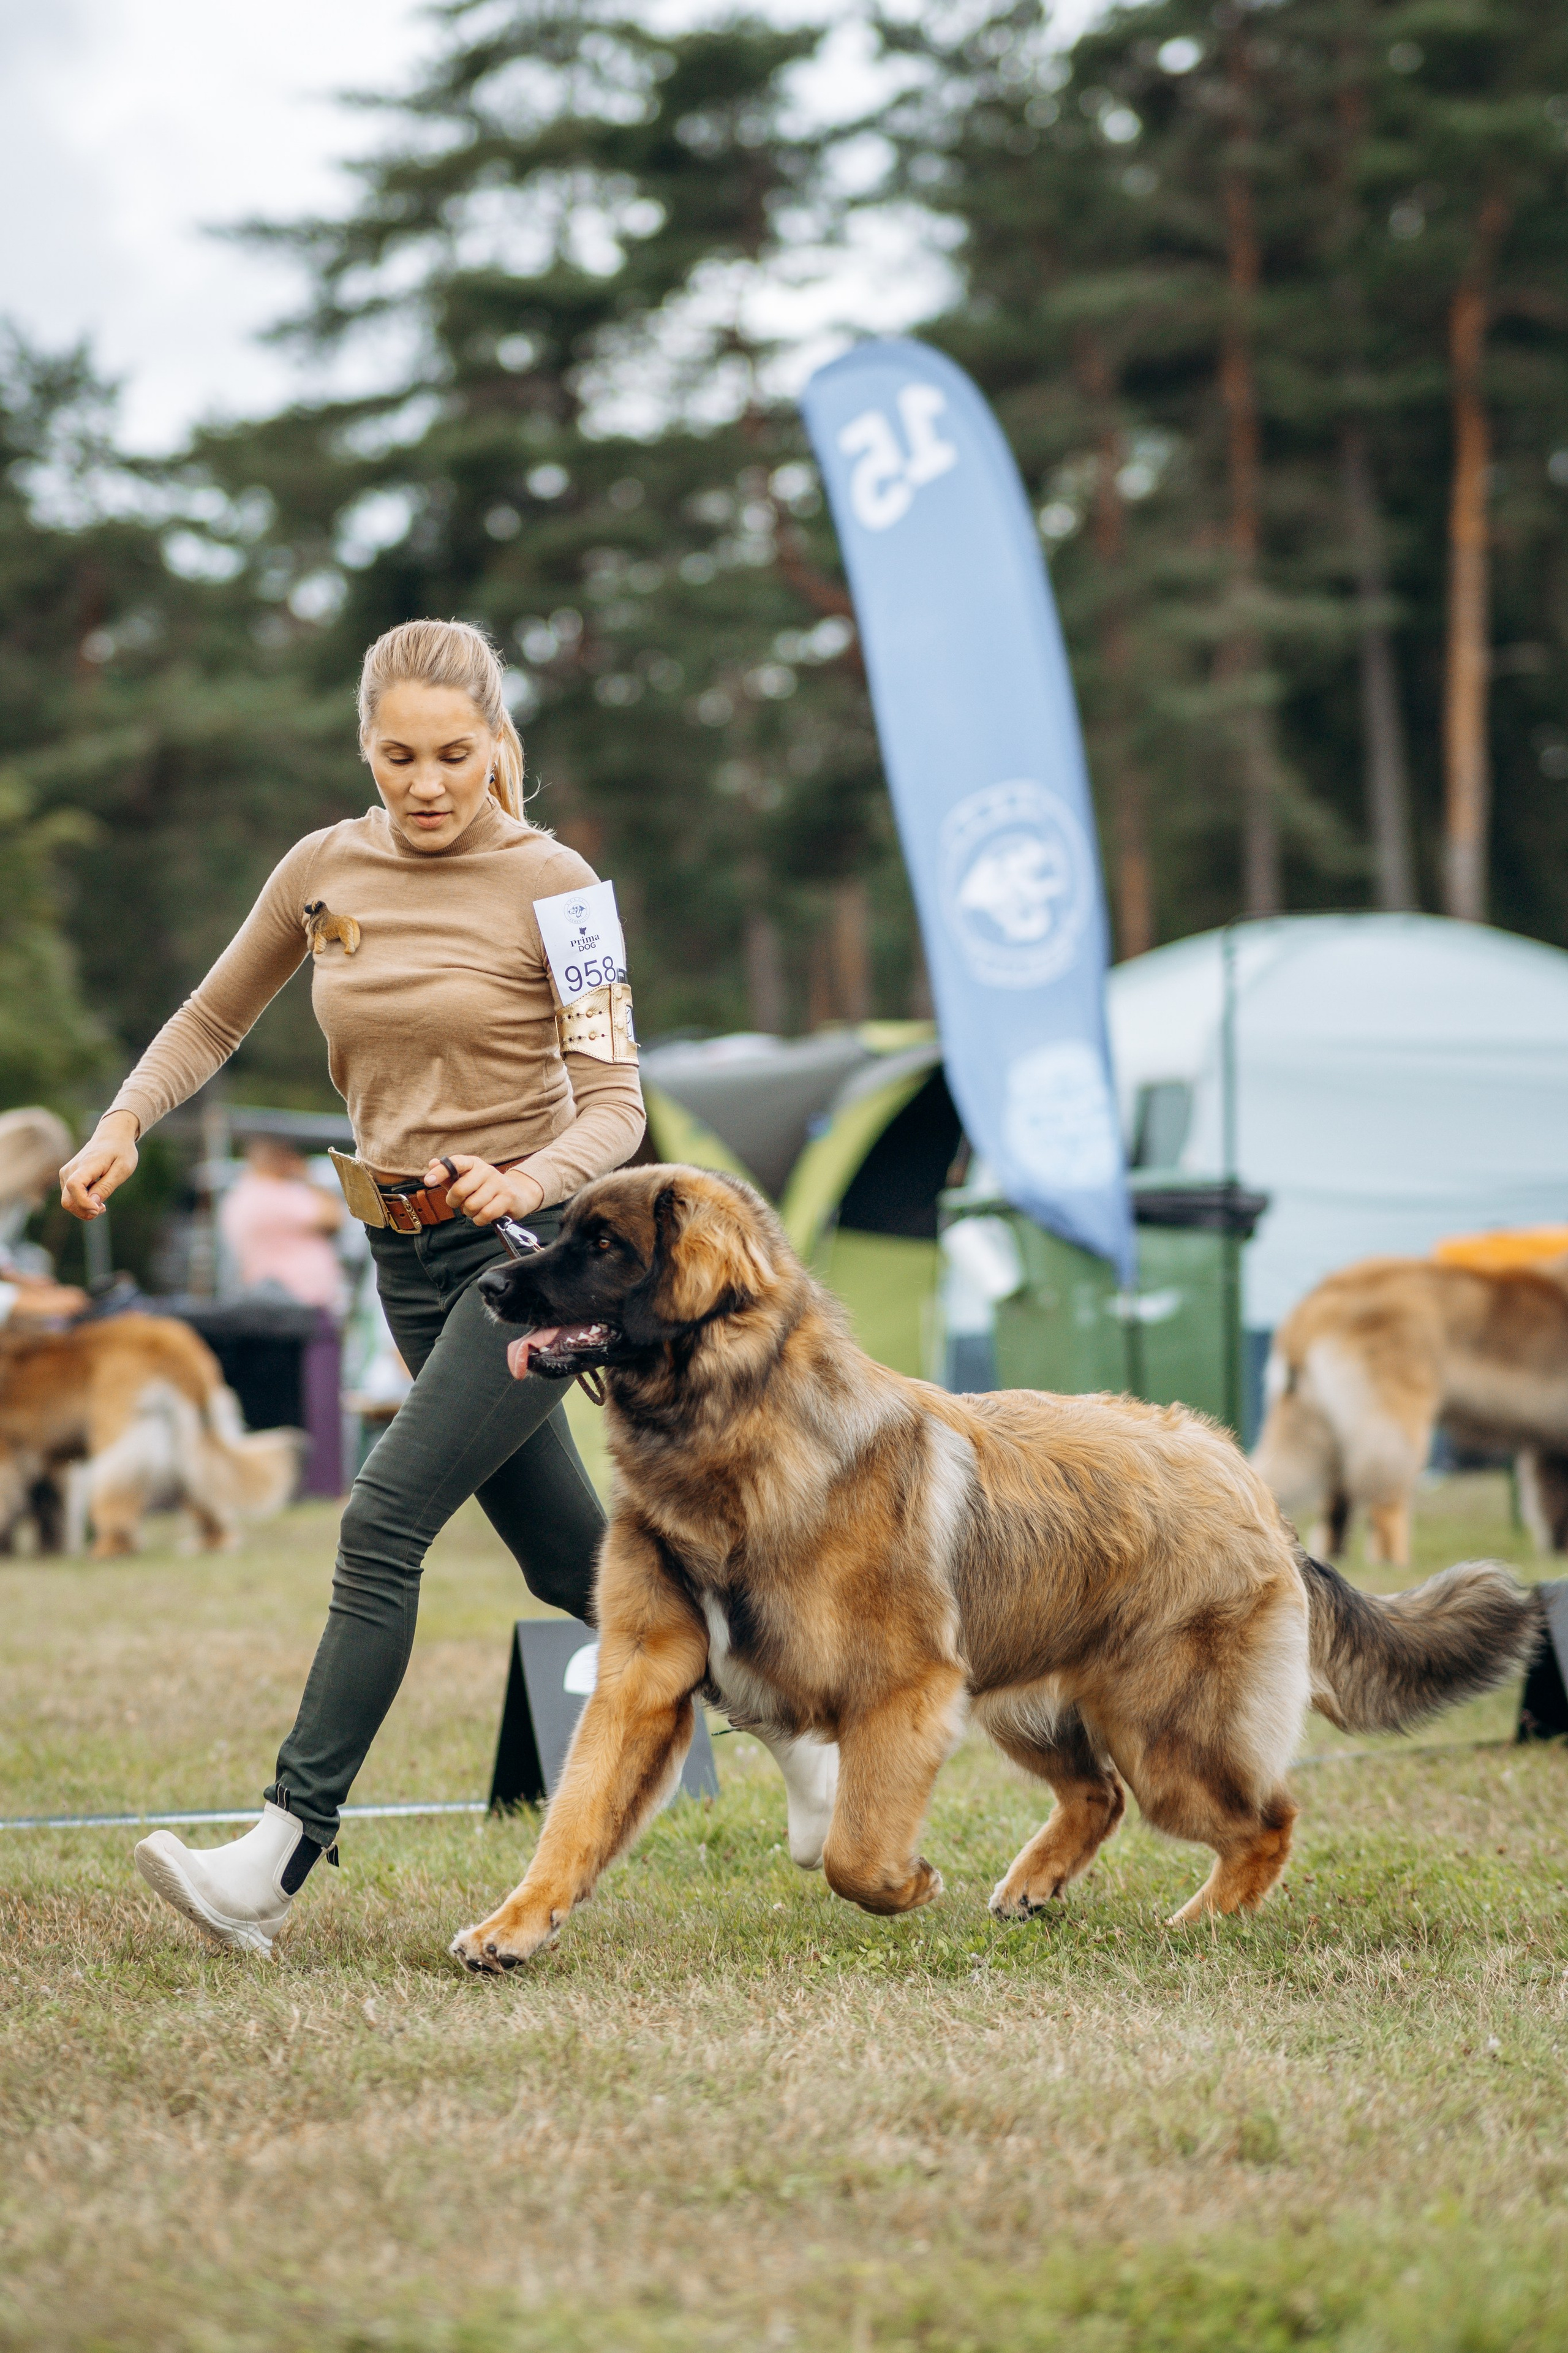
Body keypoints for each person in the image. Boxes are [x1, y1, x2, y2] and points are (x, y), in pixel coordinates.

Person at [59, 619, 647, 1956]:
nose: (427, 784)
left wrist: (528, 1175)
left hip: (527, 1252)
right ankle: (800, 1710)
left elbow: (617, 1102)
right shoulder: (321, 866)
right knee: (573, 1559)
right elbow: (212, 1017)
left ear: (496, 743)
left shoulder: (564, 887)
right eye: (398, 757)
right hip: (402, 1255)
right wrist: (124, 1121)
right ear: (364, 749)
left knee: (381, 1519)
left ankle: (272, 1861)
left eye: (453, 755)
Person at [219, 1133, 346, 1312]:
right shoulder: (274, 1193)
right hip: (299, 1298)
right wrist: (307, 1178)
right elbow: (334, 1217)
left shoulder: (240, 1195)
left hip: (271, 1295)